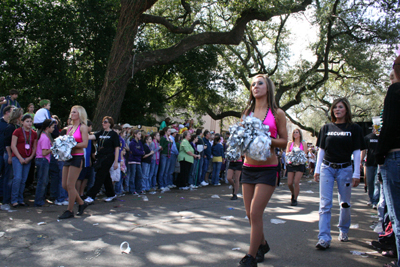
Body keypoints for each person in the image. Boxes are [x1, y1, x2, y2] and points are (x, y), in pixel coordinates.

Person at [239, 74, 288, 266]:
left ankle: (250, 257)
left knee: (256, 212)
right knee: (249, 214)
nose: (255, 86)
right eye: (253, 84)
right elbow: (241, 139)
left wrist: (264, 137)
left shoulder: (277, 113)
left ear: (268, 87)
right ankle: (263, 244)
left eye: (260, 83)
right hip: (248, 167)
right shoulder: (246, 112)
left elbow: (284, 142)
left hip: (268, 168)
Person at [314, 98, 364, 250]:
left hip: (345, 169)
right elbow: (321, 150)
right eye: (335, 107)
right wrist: (316, 170)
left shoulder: (354, 128)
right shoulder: (326, 128)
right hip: (327, 168)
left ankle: (343, 229)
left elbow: (356, 152)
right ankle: (323, 238)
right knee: (325, 204)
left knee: (345, 203)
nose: (337, 110)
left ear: (346, 110)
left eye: (340, 107)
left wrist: (357, 173)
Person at [375, 56, 400, 267]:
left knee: (397, 216)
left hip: (395, 156)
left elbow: (389, 127)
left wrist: (379, 156)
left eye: (392, 76)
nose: (391, 81)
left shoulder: (395, 92)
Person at [58, 106, 90, 219]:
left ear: (80, 114)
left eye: (74, 112)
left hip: (77, 157)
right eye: (71, 112)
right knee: (64, 185)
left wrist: (72, 145)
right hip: (68, 157)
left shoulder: (83, 127)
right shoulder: (69, 128)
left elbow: (85, 144)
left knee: (70, 185)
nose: (72, 114)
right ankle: (81, 203)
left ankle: (69, 210)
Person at [84, 116, 120, 205]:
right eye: (103, 121)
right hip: (100, 156)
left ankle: (91, 195)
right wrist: (80, 133)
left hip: (108, 157)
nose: (104, 123)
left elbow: (117, 148)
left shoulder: (113, 134)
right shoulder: (101, 132)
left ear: (110, 124)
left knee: (100, 175)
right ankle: (111, 194)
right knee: (105, 176)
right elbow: (91, 137)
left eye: (106, 122)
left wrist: (116, 161)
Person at [11, 114, 37, 208]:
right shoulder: (17, 131)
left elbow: (34, 147)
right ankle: (14, 200)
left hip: (28, 158)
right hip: (18, 158)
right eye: (27, 121)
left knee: (23, 180)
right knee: (17, 178)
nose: (29, 123)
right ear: (22, 122)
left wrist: (30, 158)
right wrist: (20, 158)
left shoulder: (33, 133)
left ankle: (20, 199)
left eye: (30, 121)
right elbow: (13, 145)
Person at [34, 119, 55, 207]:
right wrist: (53, 148)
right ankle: (39, 201)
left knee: (43, 181)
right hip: (43, 160)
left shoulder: (44, 136)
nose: (54, 129)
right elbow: (44, 152)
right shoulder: (45, 138)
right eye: (53, 127)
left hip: (43, 160)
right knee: (42, 181)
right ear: (48, 127)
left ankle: (41, 199)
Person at [285, 128, 307, 206]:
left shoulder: (303, 143)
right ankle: (293, 193)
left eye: (296, 132)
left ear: (300, 134)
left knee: (296, 182)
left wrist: (298, 154)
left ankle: (294, 199)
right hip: (291, 164)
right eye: (294, 132)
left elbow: (305, 154)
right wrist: (291, 154)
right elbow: (287, 152)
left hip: (300, 164)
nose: (295, 134)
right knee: (290, 183)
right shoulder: (290, 143)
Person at [361, 126, 380, 209]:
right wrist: (360, 161)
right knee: (369, 182)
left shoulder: (382, 137)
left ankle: (375, 201)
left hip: (379, 163)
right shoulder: (368, 137)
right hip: (369, 163)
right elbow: (364, 150)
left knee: (377, 182)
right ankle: (371, 198)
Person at [76, 120, 95, 197]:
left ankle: (81, 192)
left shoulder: (89, 137)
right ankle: (77, 194)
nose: (91, 128)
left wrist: (89, 159)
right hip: (81, 158)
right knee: (80, 177)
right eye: (90, 126)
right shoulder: (80, 135)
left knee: (86, 177)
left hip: (87, 159)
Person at [0, 105, 14, 210]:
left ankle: (4, 199)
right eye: (13, 111)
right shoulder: (1, 123)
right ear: (7, 112)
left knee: (6, 177)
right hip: (2, 153)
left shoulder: (11, 125)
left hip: (5, 153)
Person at [128, 129, 145, 195]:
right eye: (139, 134)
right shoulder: (132, 143)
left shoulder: (140, 142)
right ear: (135, 135)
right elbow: (135, 152)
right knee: (133, 175)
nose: (140, 135)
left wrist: (140, 152)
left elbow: (142, 150)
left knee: (139, 175)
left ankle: (139, 189)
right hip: (133, 160)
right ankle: (132, 190)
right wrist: (141, 153)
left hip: (138, 160)